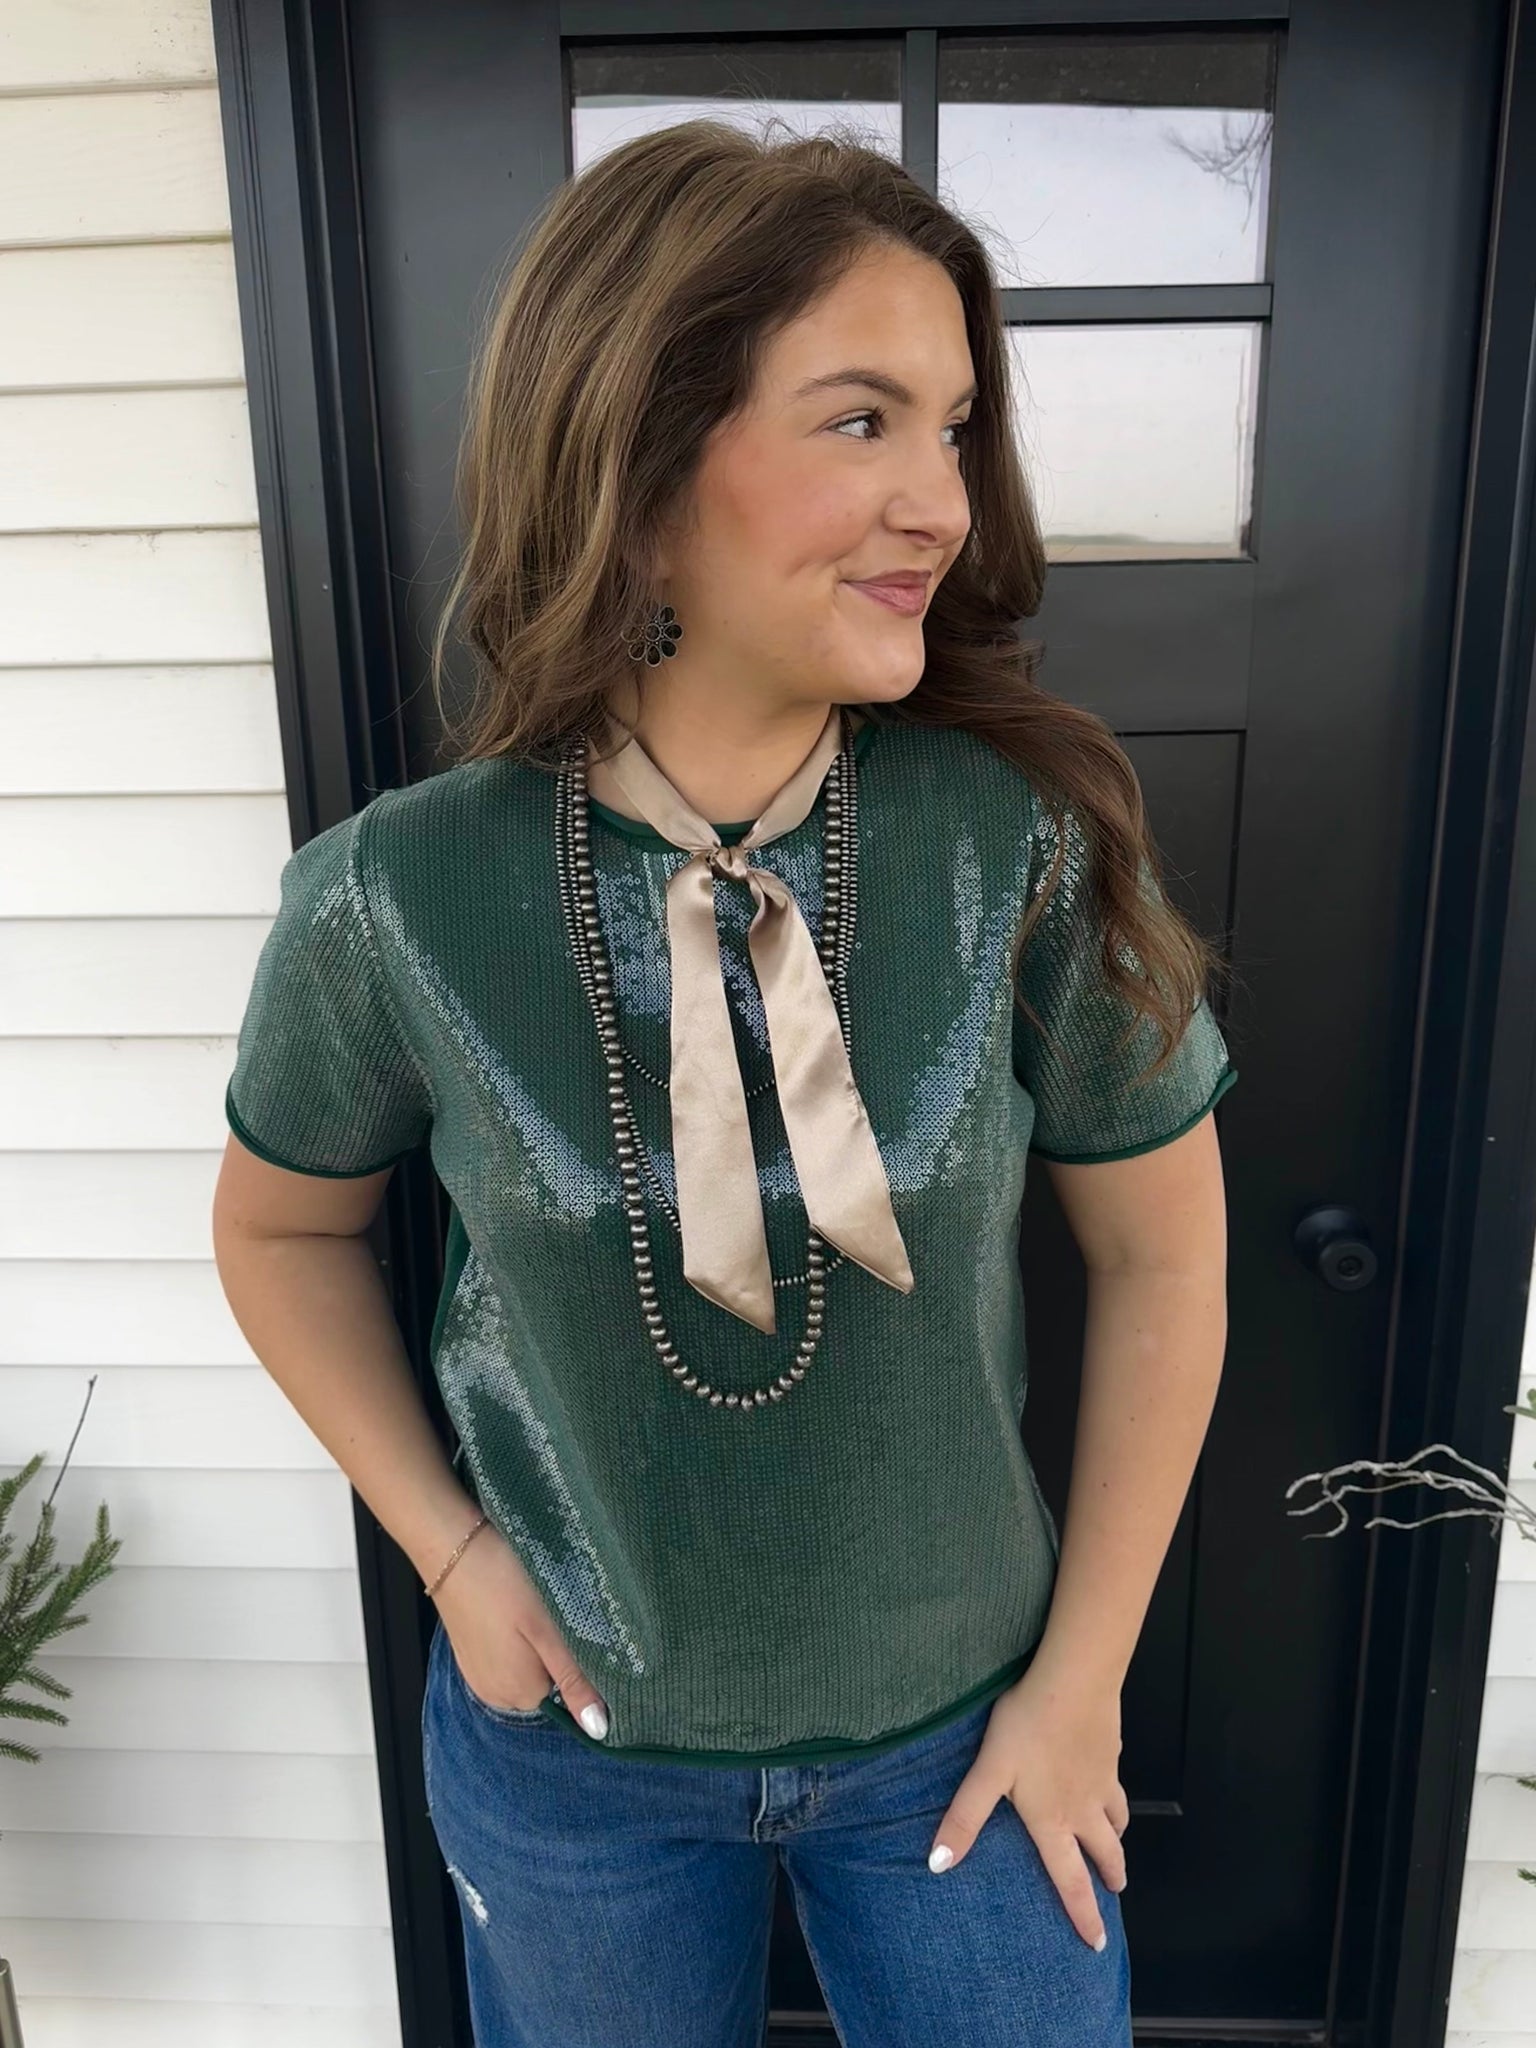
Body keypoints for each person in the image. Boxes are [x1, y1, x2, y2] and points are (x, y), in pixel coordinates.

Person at [212, 117, 1238, 2048]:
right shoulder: (398, 895)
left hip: (975, 1735)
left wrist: (1083, 1679)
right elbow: (279, 1230)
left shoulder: (1020, 844)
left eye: (953, 428)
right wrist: (451, 1550)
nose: (940, 501)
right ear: (641, 457)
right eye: (862, 421)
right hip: (572, 1751)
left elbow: (1166, 1257)